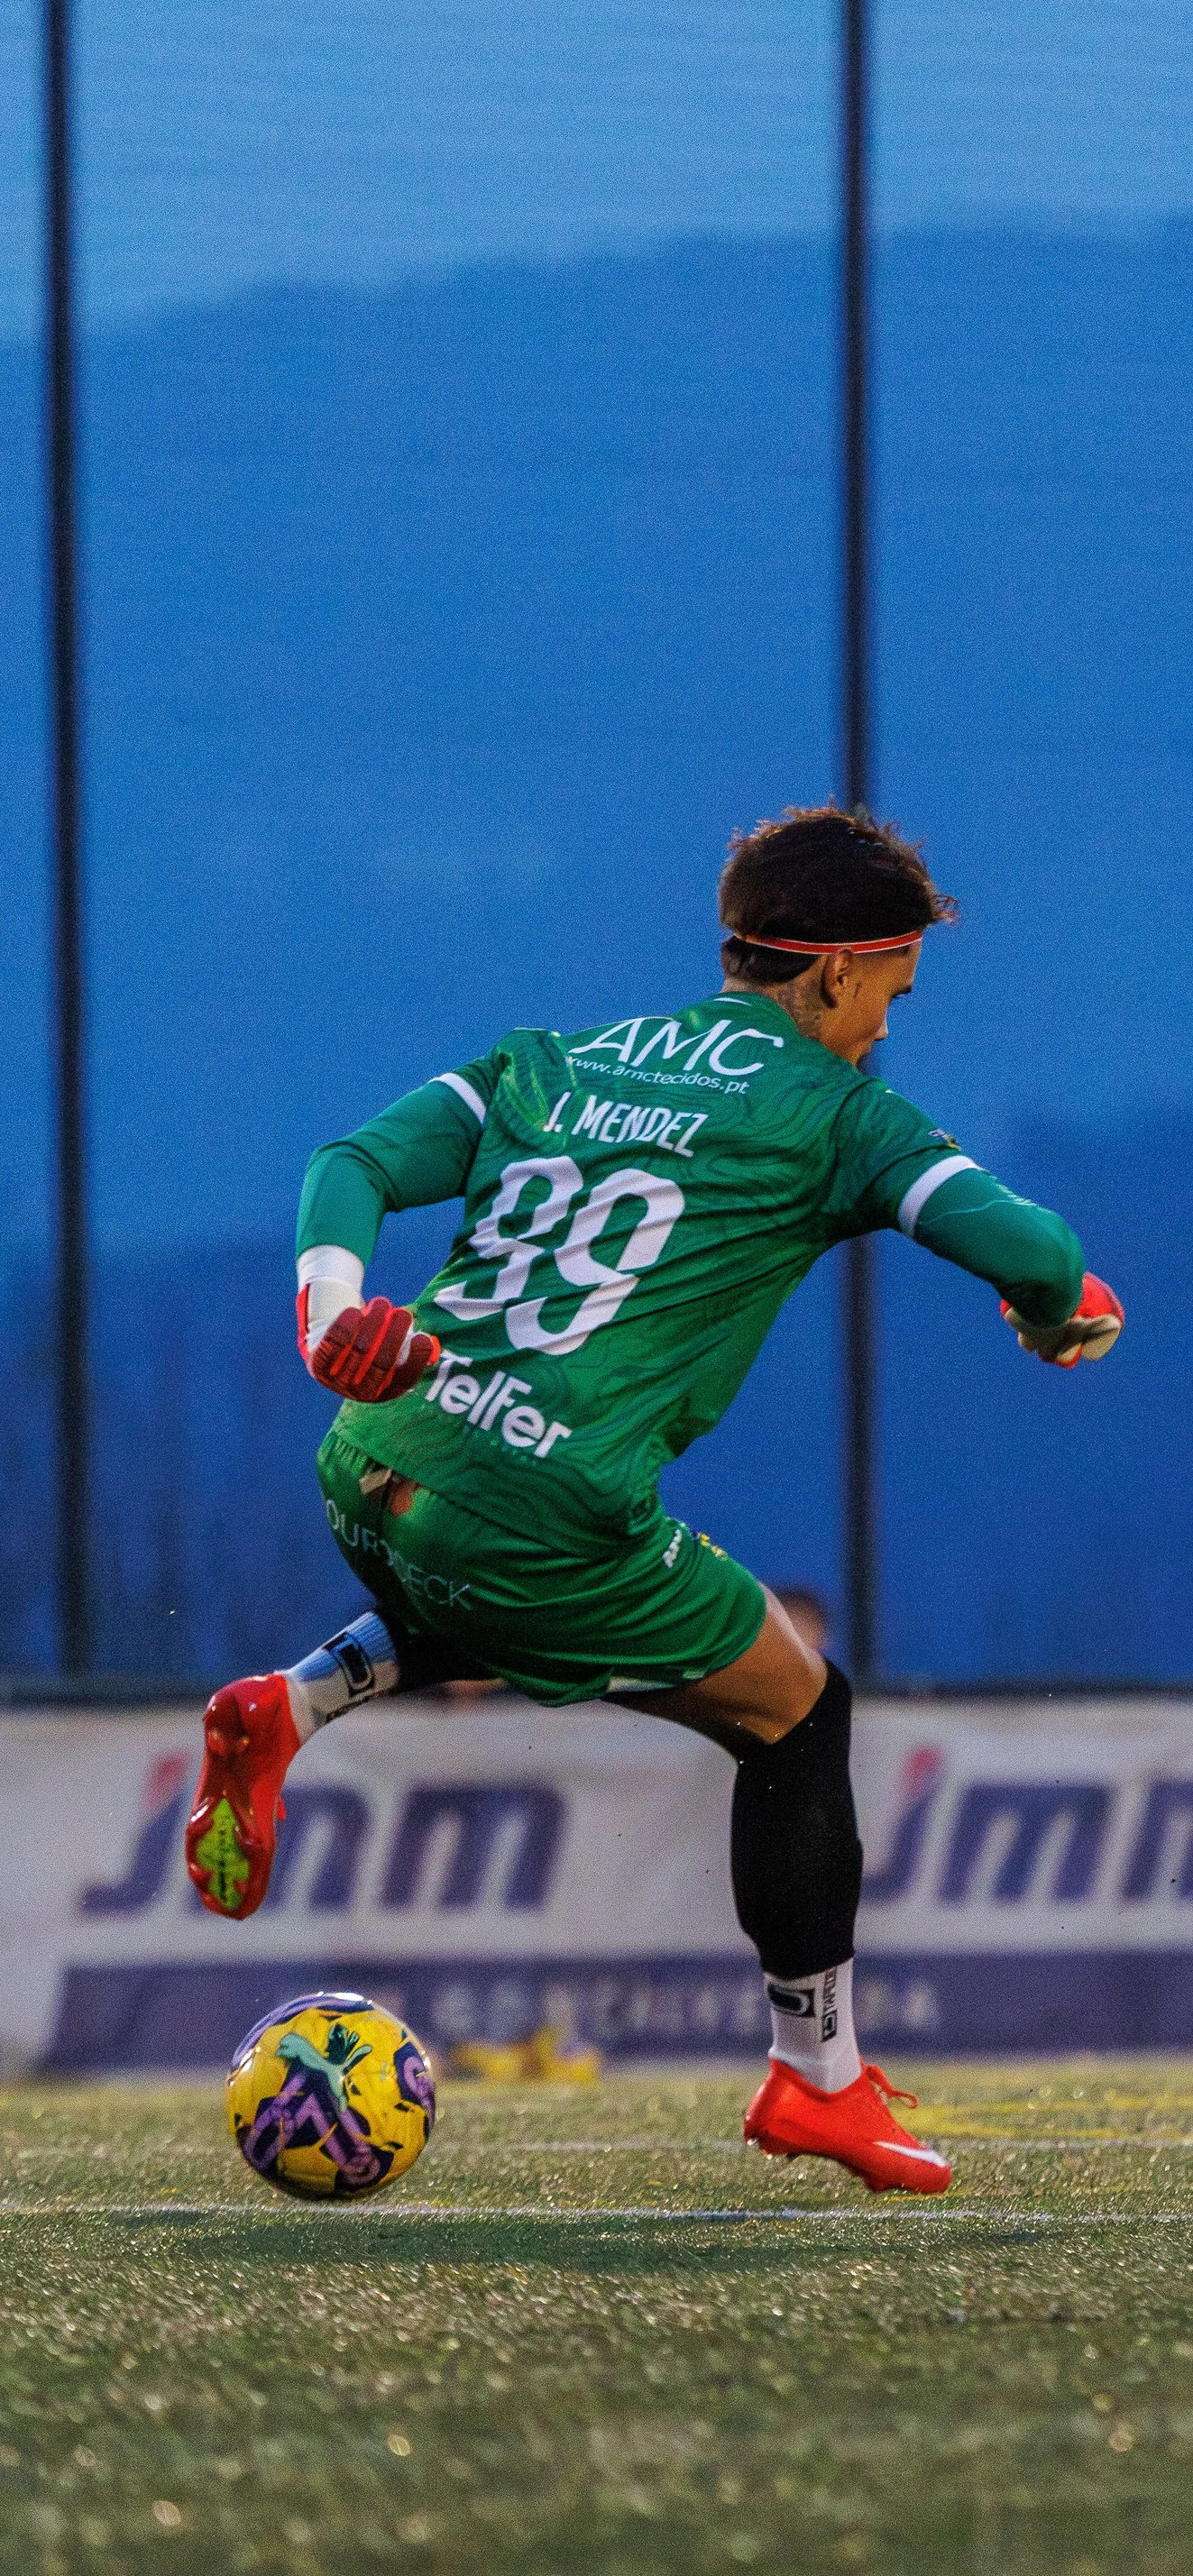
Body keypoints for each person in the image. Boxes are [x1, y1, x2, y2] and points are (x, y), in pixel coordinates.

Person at [184, 807, 1123, 2193]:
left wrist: (330, 1314)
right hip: (546, 1504)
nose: (885, 1027)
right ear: (836, 972)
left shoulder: (558, 1061)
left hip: (373, 1457)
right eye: (894, 991)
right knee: (799, 1712)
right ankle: (818, 2081)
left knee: (503, 1594)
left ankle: (294, 1701)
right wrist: (1056, 1309)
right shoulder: (840, 1114)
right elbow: (1034, 1246)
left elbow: (351, 1163)